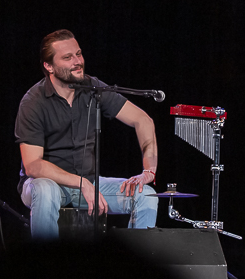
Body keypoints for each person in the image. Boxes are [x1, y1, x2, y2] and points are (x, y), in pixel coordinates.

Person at [15, 29, 159, 238]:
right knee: (46, 190)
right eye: (67, 57)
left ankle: (137, 258)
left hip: (88, 183)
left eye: (78, 54)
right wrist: (79, 182)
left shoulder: (93, 88)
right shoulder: (33, 102)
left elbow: (143, 120)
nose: (77, 62)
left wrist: (149, 171)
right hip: (43, 185)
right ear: (49, 66)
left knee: (146, 195)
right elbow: (33, 165)